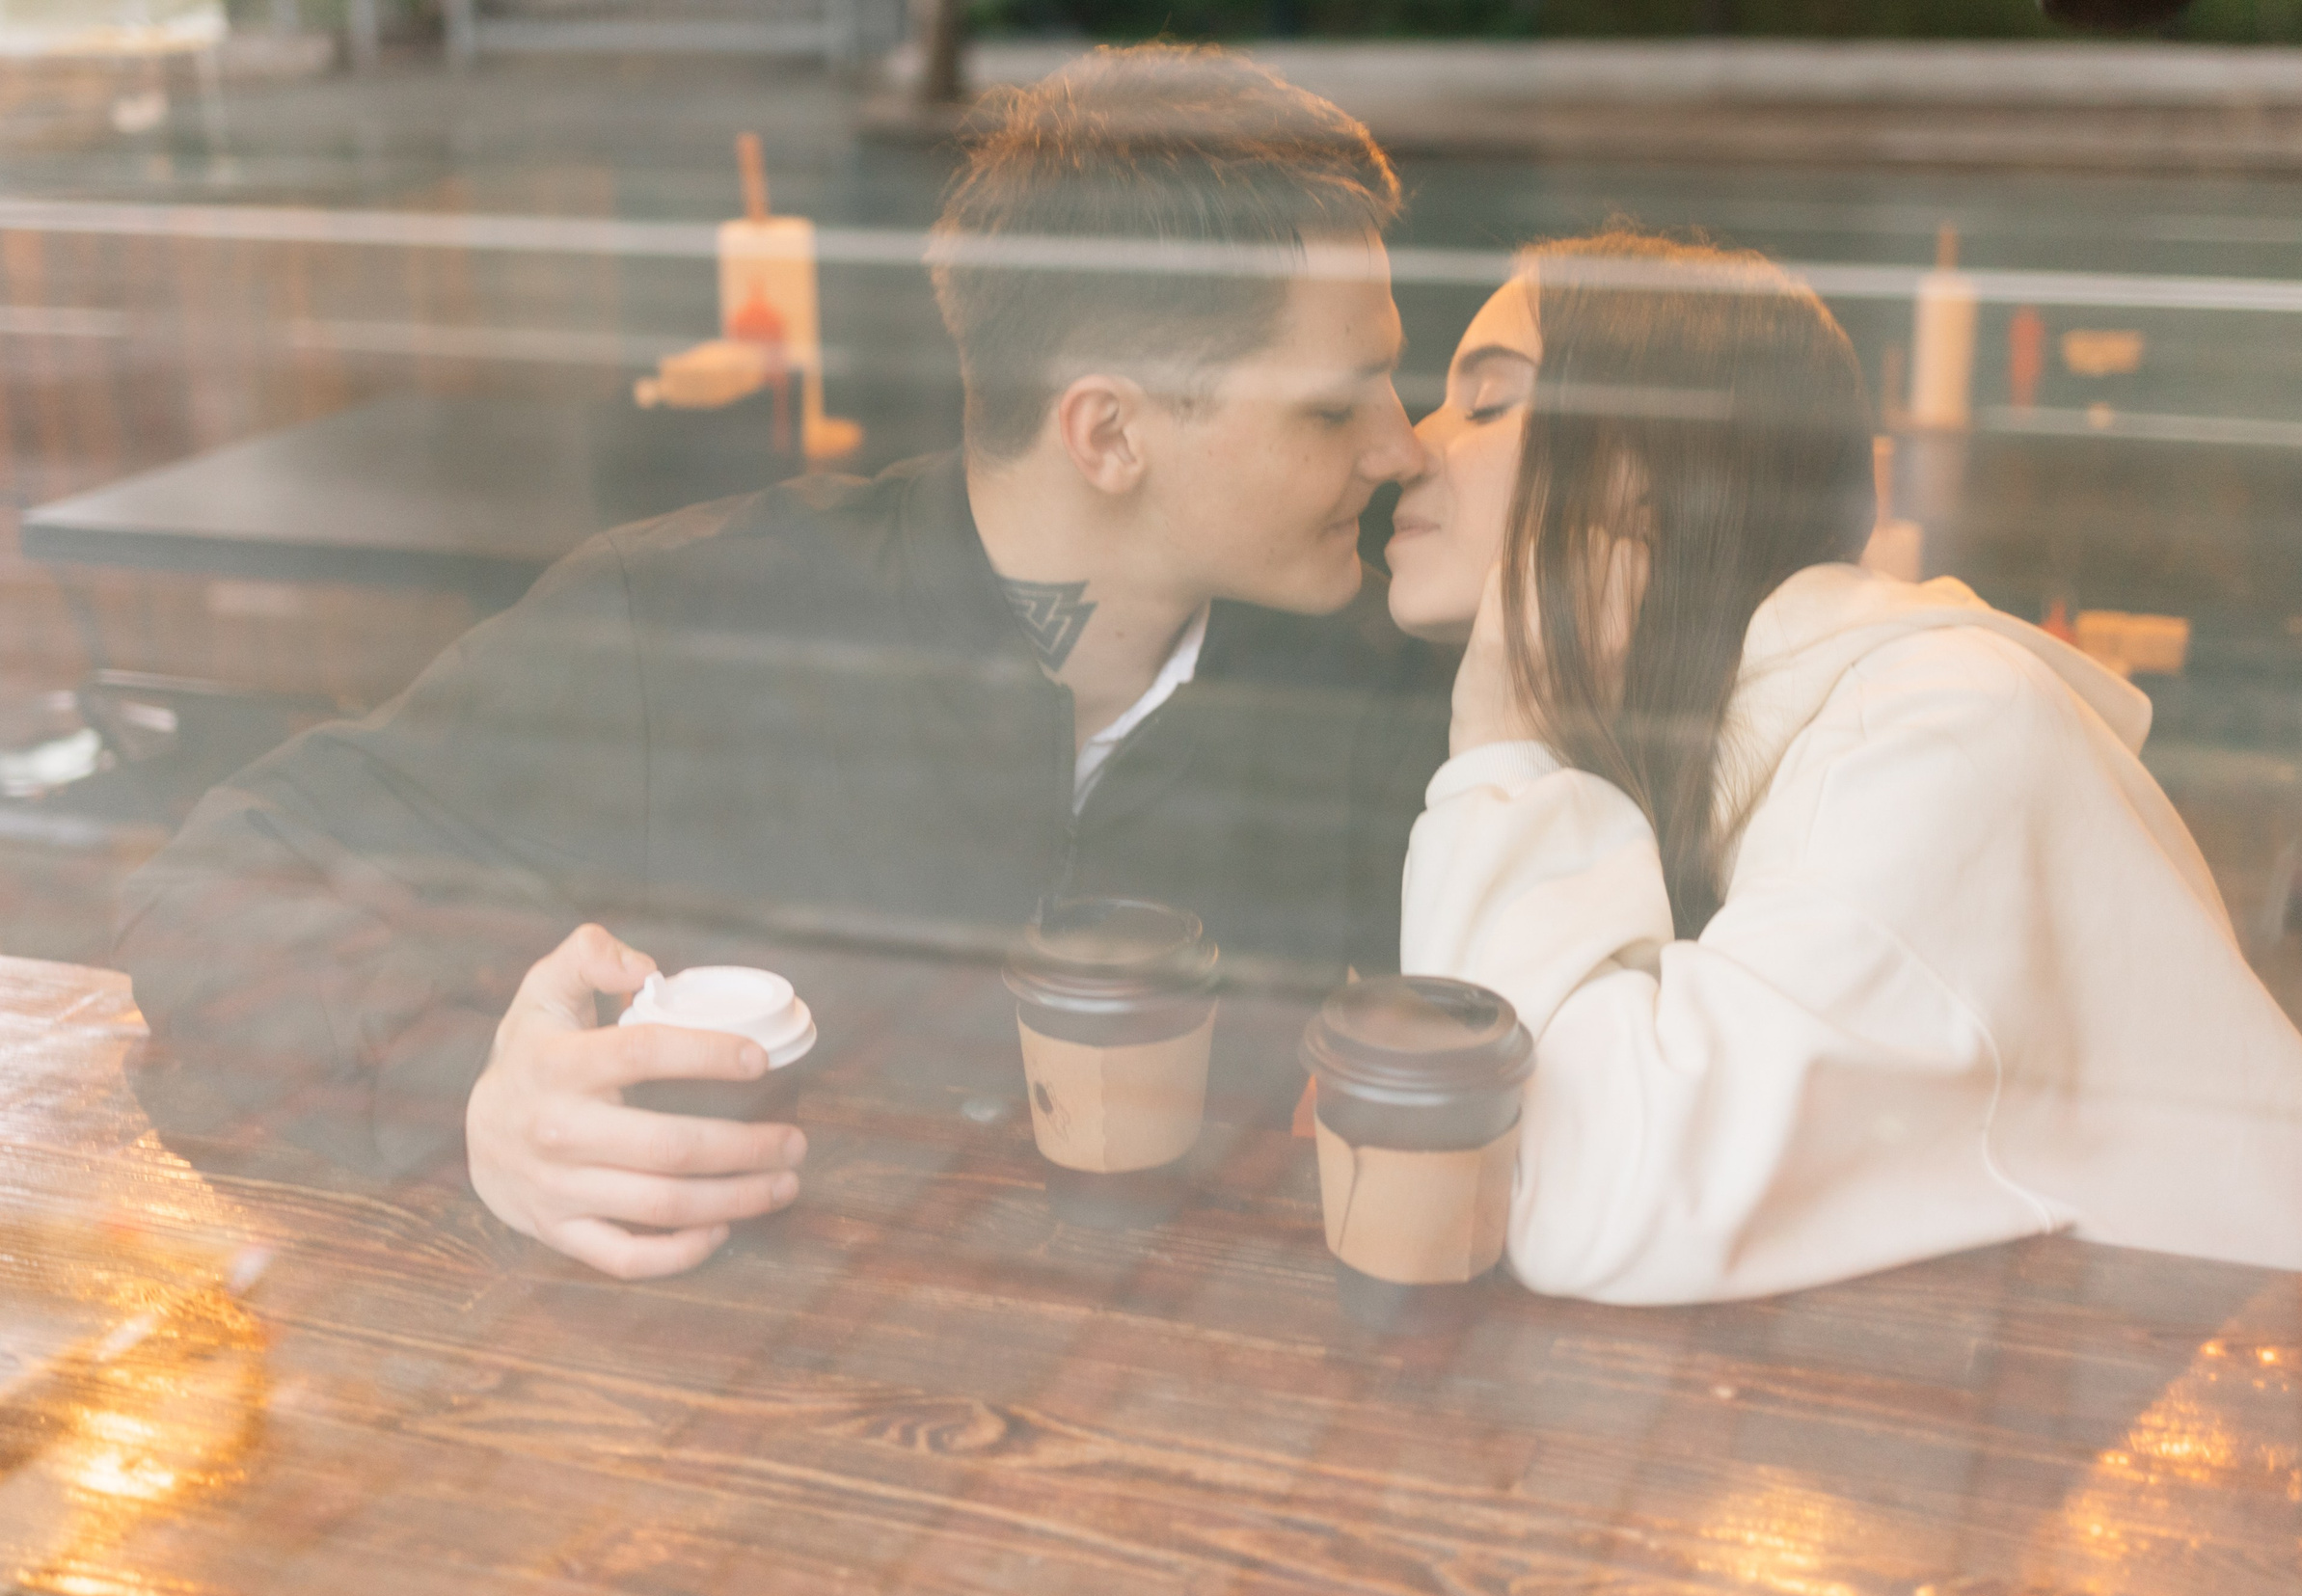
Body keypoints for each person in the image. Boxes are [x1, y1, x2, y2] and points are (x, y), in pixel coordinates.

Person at [116, 45, 1449, 1280]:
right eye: (1338, 403)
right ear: (1106, 435)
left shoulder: (1381, 682)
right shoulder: (697, 622)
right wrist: (469, 1090)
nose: (1402, 445)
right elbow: (218, 876)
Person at [1383, 230, 2302, 1302]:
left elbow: (1579, 1187)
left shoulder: (1938, 729)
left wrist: (1506, 743)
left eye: (1485, 403)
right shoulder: (1771, 739)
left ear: (1649, 477)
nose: (1410, 445)